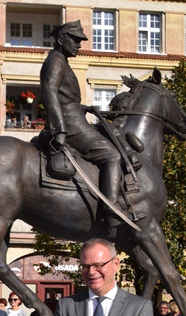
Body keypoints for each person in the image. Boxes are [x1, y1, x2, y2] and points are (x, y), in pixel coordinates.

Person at [41, 21, 125, 233]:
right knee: (112, 155)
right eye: (75, 40)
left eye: (80, 41)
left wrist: (82, 107)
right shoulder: (56, 61)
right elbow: (50, 92)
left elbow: (63, 96)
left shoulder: (61, 61)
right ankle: (111, 211)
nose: (79, 45)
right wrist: (59, 129)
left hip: (73, 117)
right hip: (70, 125)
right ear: (61, 40)